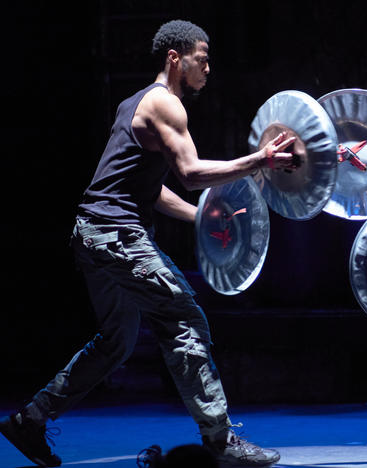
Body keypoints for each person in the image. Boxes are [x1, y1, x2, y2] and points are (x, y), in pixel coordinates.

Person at [0, 20, 296, 468]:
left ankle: (30, 419)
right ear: (175, 58)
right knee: (184, 318)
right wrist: (260, 159)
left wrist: (199, 215)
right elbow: (192, 173)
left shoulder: (133, 103)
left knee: (116, 341)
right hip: (117, 234)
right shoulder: (167, 105)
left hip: (92, 233)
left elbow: (150, 190)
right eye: (202, 57)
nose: (209, 67)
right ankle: (220, 441)